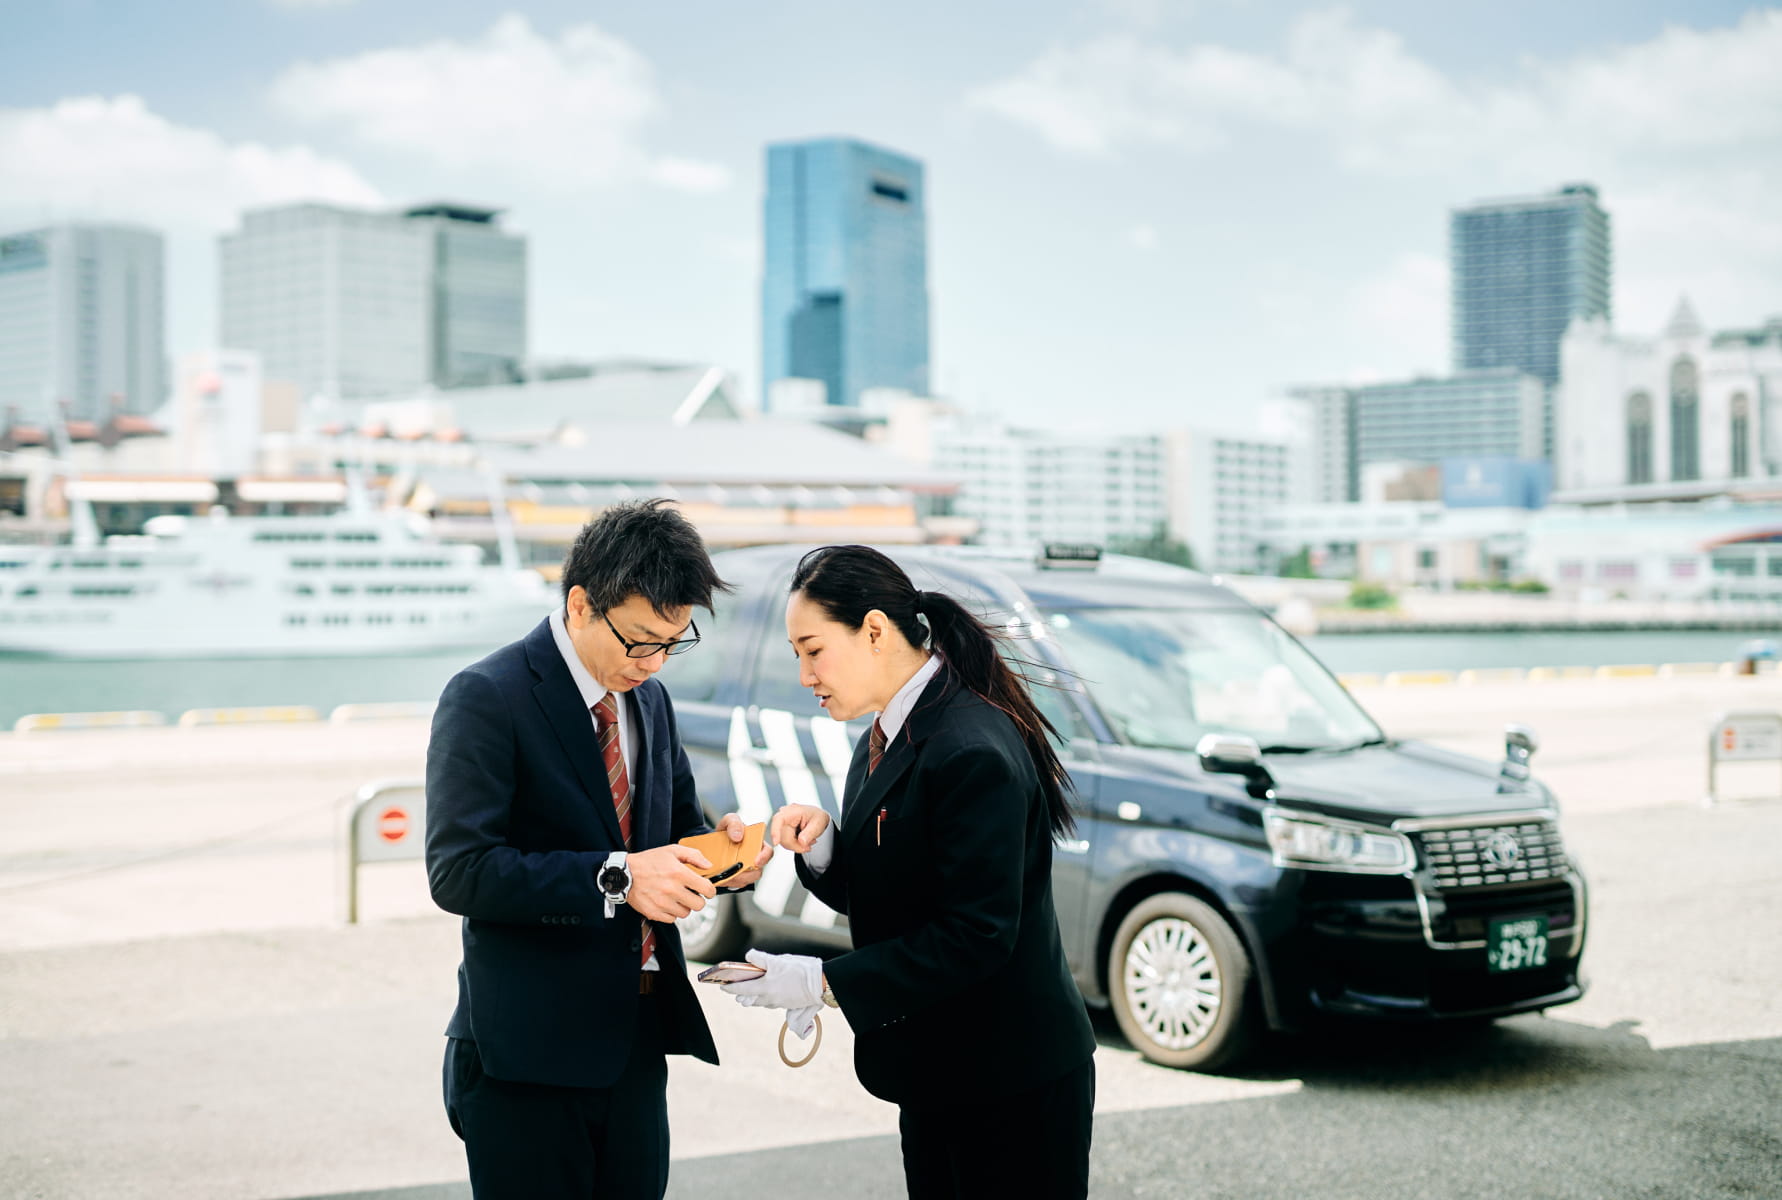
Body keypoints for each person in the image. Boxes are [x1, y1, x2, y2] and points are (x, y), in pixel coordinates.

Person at [722, 544, 1097, 1199]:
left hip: (1011, 1082)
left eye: (813, 649)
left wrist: (817, 981)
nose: (806, 674)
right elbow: (899, 896)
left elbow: (975, 934)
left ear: (874, 630)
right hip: (938, 1072)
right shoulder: (886, 737)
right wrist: (826, 851)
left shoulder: (968, 747)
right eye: (796, 655)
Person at [425, 499, 770, 1199]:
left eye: (674, 642)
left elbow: (667, 843)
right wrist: (615, 877)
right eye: (640, 640)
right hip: (525, 1055)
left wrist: (728, 858)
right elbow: (458, 872)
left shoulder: (651, 700)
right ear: (581, 604)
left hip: (636, 1040)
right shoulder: (486, 696)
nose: (654, 661)